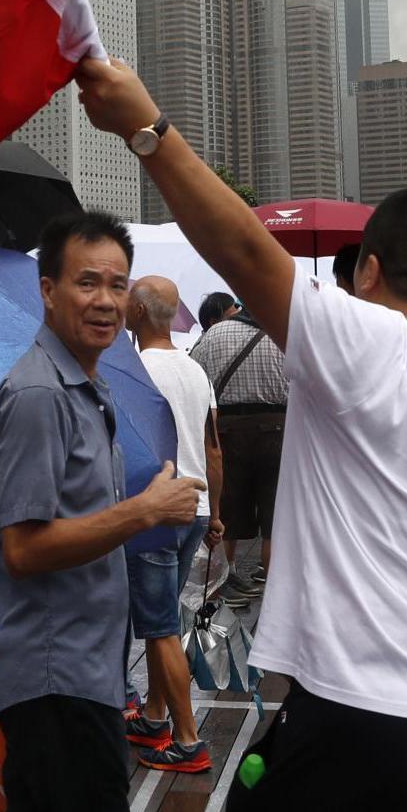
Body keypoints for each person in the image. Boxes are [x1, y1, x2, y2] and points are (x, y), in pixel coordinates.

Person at [77, 59, 407, 812]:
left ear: (368, 273)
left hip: (362, 718)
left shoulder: (368, 344)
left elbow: (244, 248)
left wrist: (148, 128)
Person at [0, 213, 204, 812]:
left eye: (116, 284)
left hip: (79, 665)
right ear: (48, 290)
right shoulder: (38, 395)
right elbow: (24, 547)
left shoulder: (87, 389)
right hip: (56, 670)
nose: (104, 298)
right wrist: (144, 511)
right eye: (86, 281)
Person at [124, 274, 223, 773]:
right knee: (166, 617)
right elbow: (212, 449)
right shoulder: (194, 370)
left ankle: (187, 741)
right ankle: (155, 714)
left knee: (160, 629)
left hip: (156, 511)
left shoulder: (133, 369)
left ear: (137, 313)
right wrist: (217, 513)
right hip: (196, 508)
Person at [190, 283, 288, 609]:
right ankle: (274, 600)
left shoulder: (214, 335)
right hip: (278, 433)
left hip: (226, 433)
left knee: (225, 514)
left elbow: (196, 379)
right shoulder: (284, 334)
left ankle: (218, 588)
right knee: (276, 520)